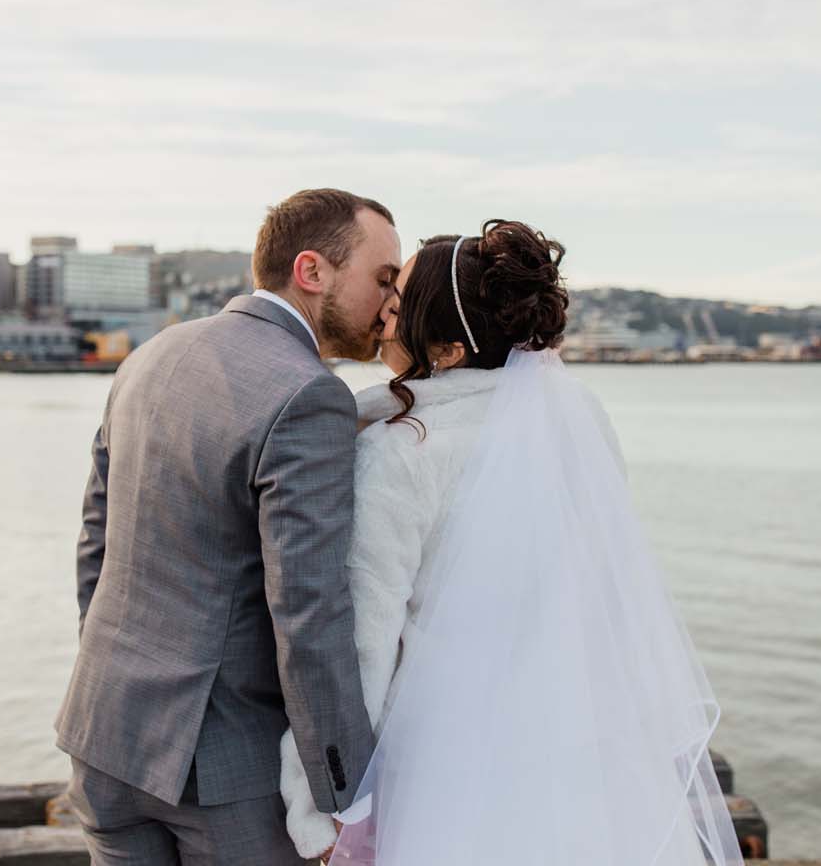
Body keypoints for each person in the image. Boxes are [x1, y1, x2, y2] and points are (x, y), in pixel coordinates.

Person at [279, 220, 742, 865]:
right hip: (578, 753)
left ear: (444, 348)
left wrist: (323, 809)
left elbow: (362, 646)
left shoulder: (400, 452)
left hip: (448, 768)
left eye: (399, 299)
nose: (384, 311)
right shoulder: (578, 420)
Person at [56, 188, 402, 865]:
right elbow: (309, 611)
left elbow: (96, 544)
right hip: (222, 776)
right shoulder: (309, 394)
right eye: (383, 278)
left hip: (104, 735)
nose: (390, 303)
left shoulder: (150, 356)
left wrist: (115, 679)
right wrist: (346, 795)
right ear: (313, 271)